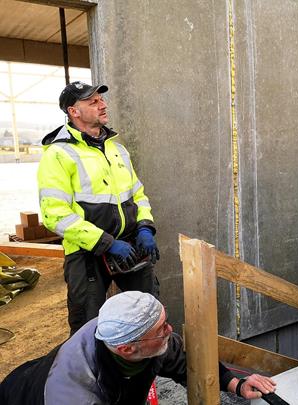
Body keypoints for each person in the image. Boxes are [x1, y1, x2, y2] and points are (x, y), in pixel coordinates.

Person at [38, 81, 161, 335]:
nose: (102, 104)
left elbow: (137, 193)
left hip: (129, 245)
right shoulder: (58, 154)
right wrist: (105, 243)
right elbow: (55, 215)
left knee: (149, 313)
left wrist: (145, 227)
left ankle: (147, 371)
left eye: (101, 100)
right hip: (86, 253)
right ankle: (91, 375)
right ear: (74, 112)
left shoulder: (117, 149)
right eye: (93, 102)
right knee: (87, 325)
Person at [0, 291, 276, 404]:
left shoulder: (133, 333)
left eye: (165, 322)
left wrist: (236, 384)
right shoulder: (75, 393)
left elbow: (182, 359)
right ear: (127, 349)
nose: (171, 331)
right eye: (162, 330)